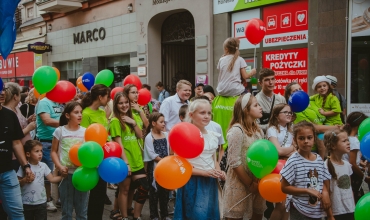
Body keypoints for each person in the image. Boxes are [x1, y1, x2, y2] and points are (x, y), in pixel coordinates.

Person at [174, 99, 225, 219]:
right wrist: (203, 172)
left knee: (209, 214)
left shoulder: (212, 135)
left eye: (209, 113)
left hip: (210, 181)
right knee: (195, 215)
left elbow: (214, 159)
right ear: (191, 115)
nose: (207, 116)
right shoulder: (184, 136)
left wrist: (219, 172)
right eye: (202, 113)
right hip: (192, 181)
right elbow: (179, 164)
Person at [223, 93, 265, 220]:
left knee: (257, 214)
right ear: (246, 110)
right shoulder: (237, 131)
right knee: (236, 215)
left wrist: (257, 181)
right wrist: (250, 183)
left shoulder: (258, 131)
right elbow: (234, 161)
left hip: (257, 181)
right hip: (240, 182)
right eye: (256, 105)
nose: (260, 107)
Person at [280, 121, 332, 220]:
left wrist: (325, 194)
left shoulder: (319, 159)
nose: (306, 141)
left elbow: (325, 181)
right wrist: (307, 190)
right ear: (295, 140)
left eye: (309, 137)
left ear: (314, 139)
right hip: (299, 209)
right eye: (301, 138)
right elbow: (284, 187)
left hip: (317, 210)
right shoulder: (293, 161)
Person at [110, 92, 149, 220]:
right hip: (125, 161)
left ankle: (135, 215)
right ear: (116, 104)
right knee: (124, 190)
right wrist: (126, 163)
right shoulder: (115, 121)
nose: (124, 105)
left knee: (143, 186)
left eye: (126, 102)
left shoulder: (131, 117)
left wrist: (133, 122)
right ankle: (125, 216)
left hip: (137, 159)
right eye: (121, 103)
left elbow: (139, 135)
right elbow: (119, 144)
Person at [213, 37, 256, 149]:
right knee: (248, 97)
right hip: (235, 91)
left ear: (226, 49)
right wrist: (252, 72)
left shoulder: (222, 59)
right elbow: (245, 77)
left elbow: (221, 74)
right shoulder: (240, 59)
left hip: (222, 91)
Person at [255, 68, 286, 219]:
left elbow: (286, 120)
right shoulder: (256, 100)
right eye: (267, 80)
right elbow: (254, 125)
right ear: (260, 82)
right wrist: (272, 127)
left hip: (280, 144)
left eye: (273, 79)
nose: (271, 82)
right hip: (264, 147)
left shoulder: (280, 99)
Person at [51, 102, 89, 220]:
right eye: (76, 112)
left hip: (83, 175)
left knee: (82, 212)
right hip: (66, 175)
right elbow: (53, 151)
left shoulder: (85, 131)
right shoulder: (60, 131)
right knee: (66, 212)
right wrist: (59, 167)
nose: (80, 115)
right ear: (67, 115)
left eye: (81, 112)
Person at [0, 82, 33, 219]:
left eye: (2, 89)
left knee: (17, 212)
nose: (2, 93)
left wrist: (26, 165)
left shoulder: (10, 115)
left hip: (7, 172)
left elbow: (16, 142)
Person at [284, 82, 339, 160]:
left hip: (328, 141)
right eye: (295, 91)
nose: (299, 92)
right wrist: (335, 127)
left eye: (300, 89)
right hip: (313, 148)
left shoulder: (312, 101)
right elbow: (313, 127)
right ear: (289, 96)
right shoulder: (296, 110)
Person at [80, 84, 111, 220]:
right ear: (100, 97)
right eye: (107, 96)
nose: (109, 99)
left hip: (104, 154)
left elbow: (105, 132)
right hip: (92, 156)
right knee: (92, 193)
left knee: (100, 192)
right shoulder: (85, 113)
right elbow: (83, 136)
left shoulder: (102, 112)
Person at [17, 140, 62, 220]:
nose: (40, 153)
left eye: (41, 151)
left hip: (41, 202)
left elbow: (52, 179)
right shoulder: (23, 167)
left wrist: (63, 176)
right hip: (26, 203)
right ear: (28, 154)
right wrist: (25, 180)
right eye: (36, 151)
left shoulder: (43, 166)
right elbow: (18, 183)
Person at [267, 104, 296, 220]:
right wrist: (291, 149)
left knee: (288, 204)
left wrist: (290, 150)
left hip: (289, 165)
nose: (289, 114)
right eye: (285, 112)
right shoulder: (272, 130)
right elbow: (278, 150)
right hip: (278, 167)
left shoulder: (291, 130)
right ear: (276, 115)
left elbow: (296, 149)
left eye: (290, 112)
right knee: (280, 203)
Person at [35, 90, 62, 212]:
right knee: (48, 174)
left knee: (61, 170)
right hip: (46, 143)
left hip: (61, 141)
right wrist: (67, 123)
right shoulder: (44, 102)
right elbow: (47, 121)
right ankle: (48, 199)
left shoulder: (60, 103)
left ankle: (61, 198)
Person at [143, 112, 171, 220]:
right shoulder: (149, 137)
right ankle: (154, 215)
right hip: (154, 168)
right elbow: (152, 155)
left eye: (164, 121)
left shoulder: (166, 135)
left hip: (166, 167)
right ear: (153, 123)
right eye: (161, 122)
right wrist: (165, 161)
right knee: (154, 192)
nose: (164, 124)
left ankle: (164, 215)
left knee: (164, 192)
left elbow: (169, 150)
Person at [3, 82, 36, 170]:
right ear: (15, 96)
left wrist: (28, 120)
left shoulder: (17, 108)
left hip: (25, 150)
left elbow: (20, 124)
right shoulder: (6, 112)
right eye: (19, 94)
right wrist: (29, 128)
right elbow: (13, 135)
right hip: (15, 155)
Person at [323, 129, 355, 220]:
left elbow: (349, 187)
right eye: (344, 141)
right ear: (333, 146)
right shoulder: (326, 166)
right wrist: (330, 215)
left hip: (350, 210)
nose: (348, 143)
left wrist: (353, 207)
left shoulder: (347, 165)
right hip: (336, 213)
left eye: (348, 140)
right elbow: (327, 193)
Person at [342, 112, 370, 202]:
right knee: (357, 197)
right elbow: (352, 163)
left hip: (347, 171)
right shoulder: (354, 141)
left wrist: (361, 164)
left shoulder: (346, 138)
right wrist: (364, 177)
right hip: (353, 175)